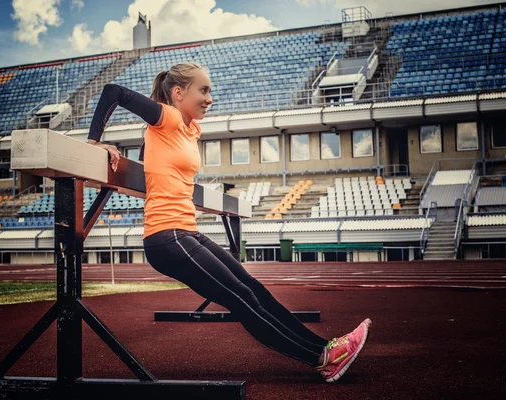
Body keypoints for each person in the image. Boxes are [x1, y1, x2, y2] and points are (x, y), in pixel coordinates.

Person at [86, 62, 372, 382]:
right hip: (167, 236)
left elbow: (153, 157)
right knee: (241, 298)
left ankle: (326, 348)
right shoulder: (165, 117)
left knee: (252, 288)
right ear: (178, 93)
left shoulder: (191, 128)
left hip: (185, 231)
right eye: (204, 90)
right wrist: (96, 144)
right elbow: (114, 92)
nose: (210, 99)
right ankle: (321, 358)